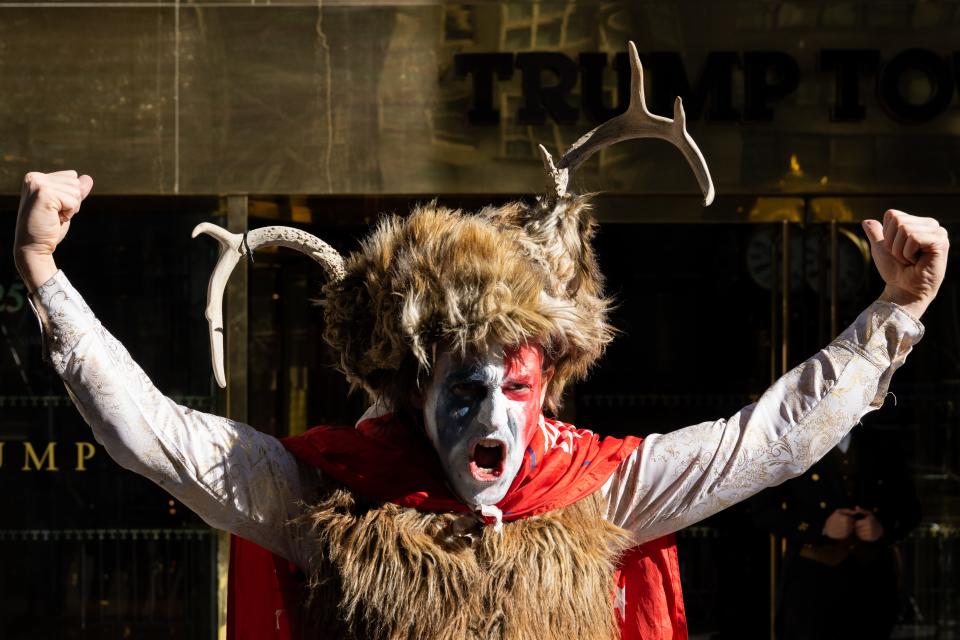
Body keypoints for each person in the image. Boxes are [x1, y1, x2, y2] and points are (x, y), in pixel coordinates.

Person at [11, 45, 949, 640]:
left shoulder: (599, 488)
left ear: (546, 383)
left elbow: (774, 438)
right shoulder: (329, 498)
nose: (494, 414)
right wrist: (45, 275)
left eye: (517, 386)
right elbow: (158, 439)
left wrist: (898, 310)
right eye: (465, 390)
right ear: (416, 389)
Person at [754, 426, 922, 640]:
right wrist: (820, 527)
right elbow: (763, 511)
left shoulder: (881, 440)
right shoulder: (792, 444)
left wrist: (882, 528)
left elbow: (911, 510)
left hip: (872, 585)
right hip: (811, 586)